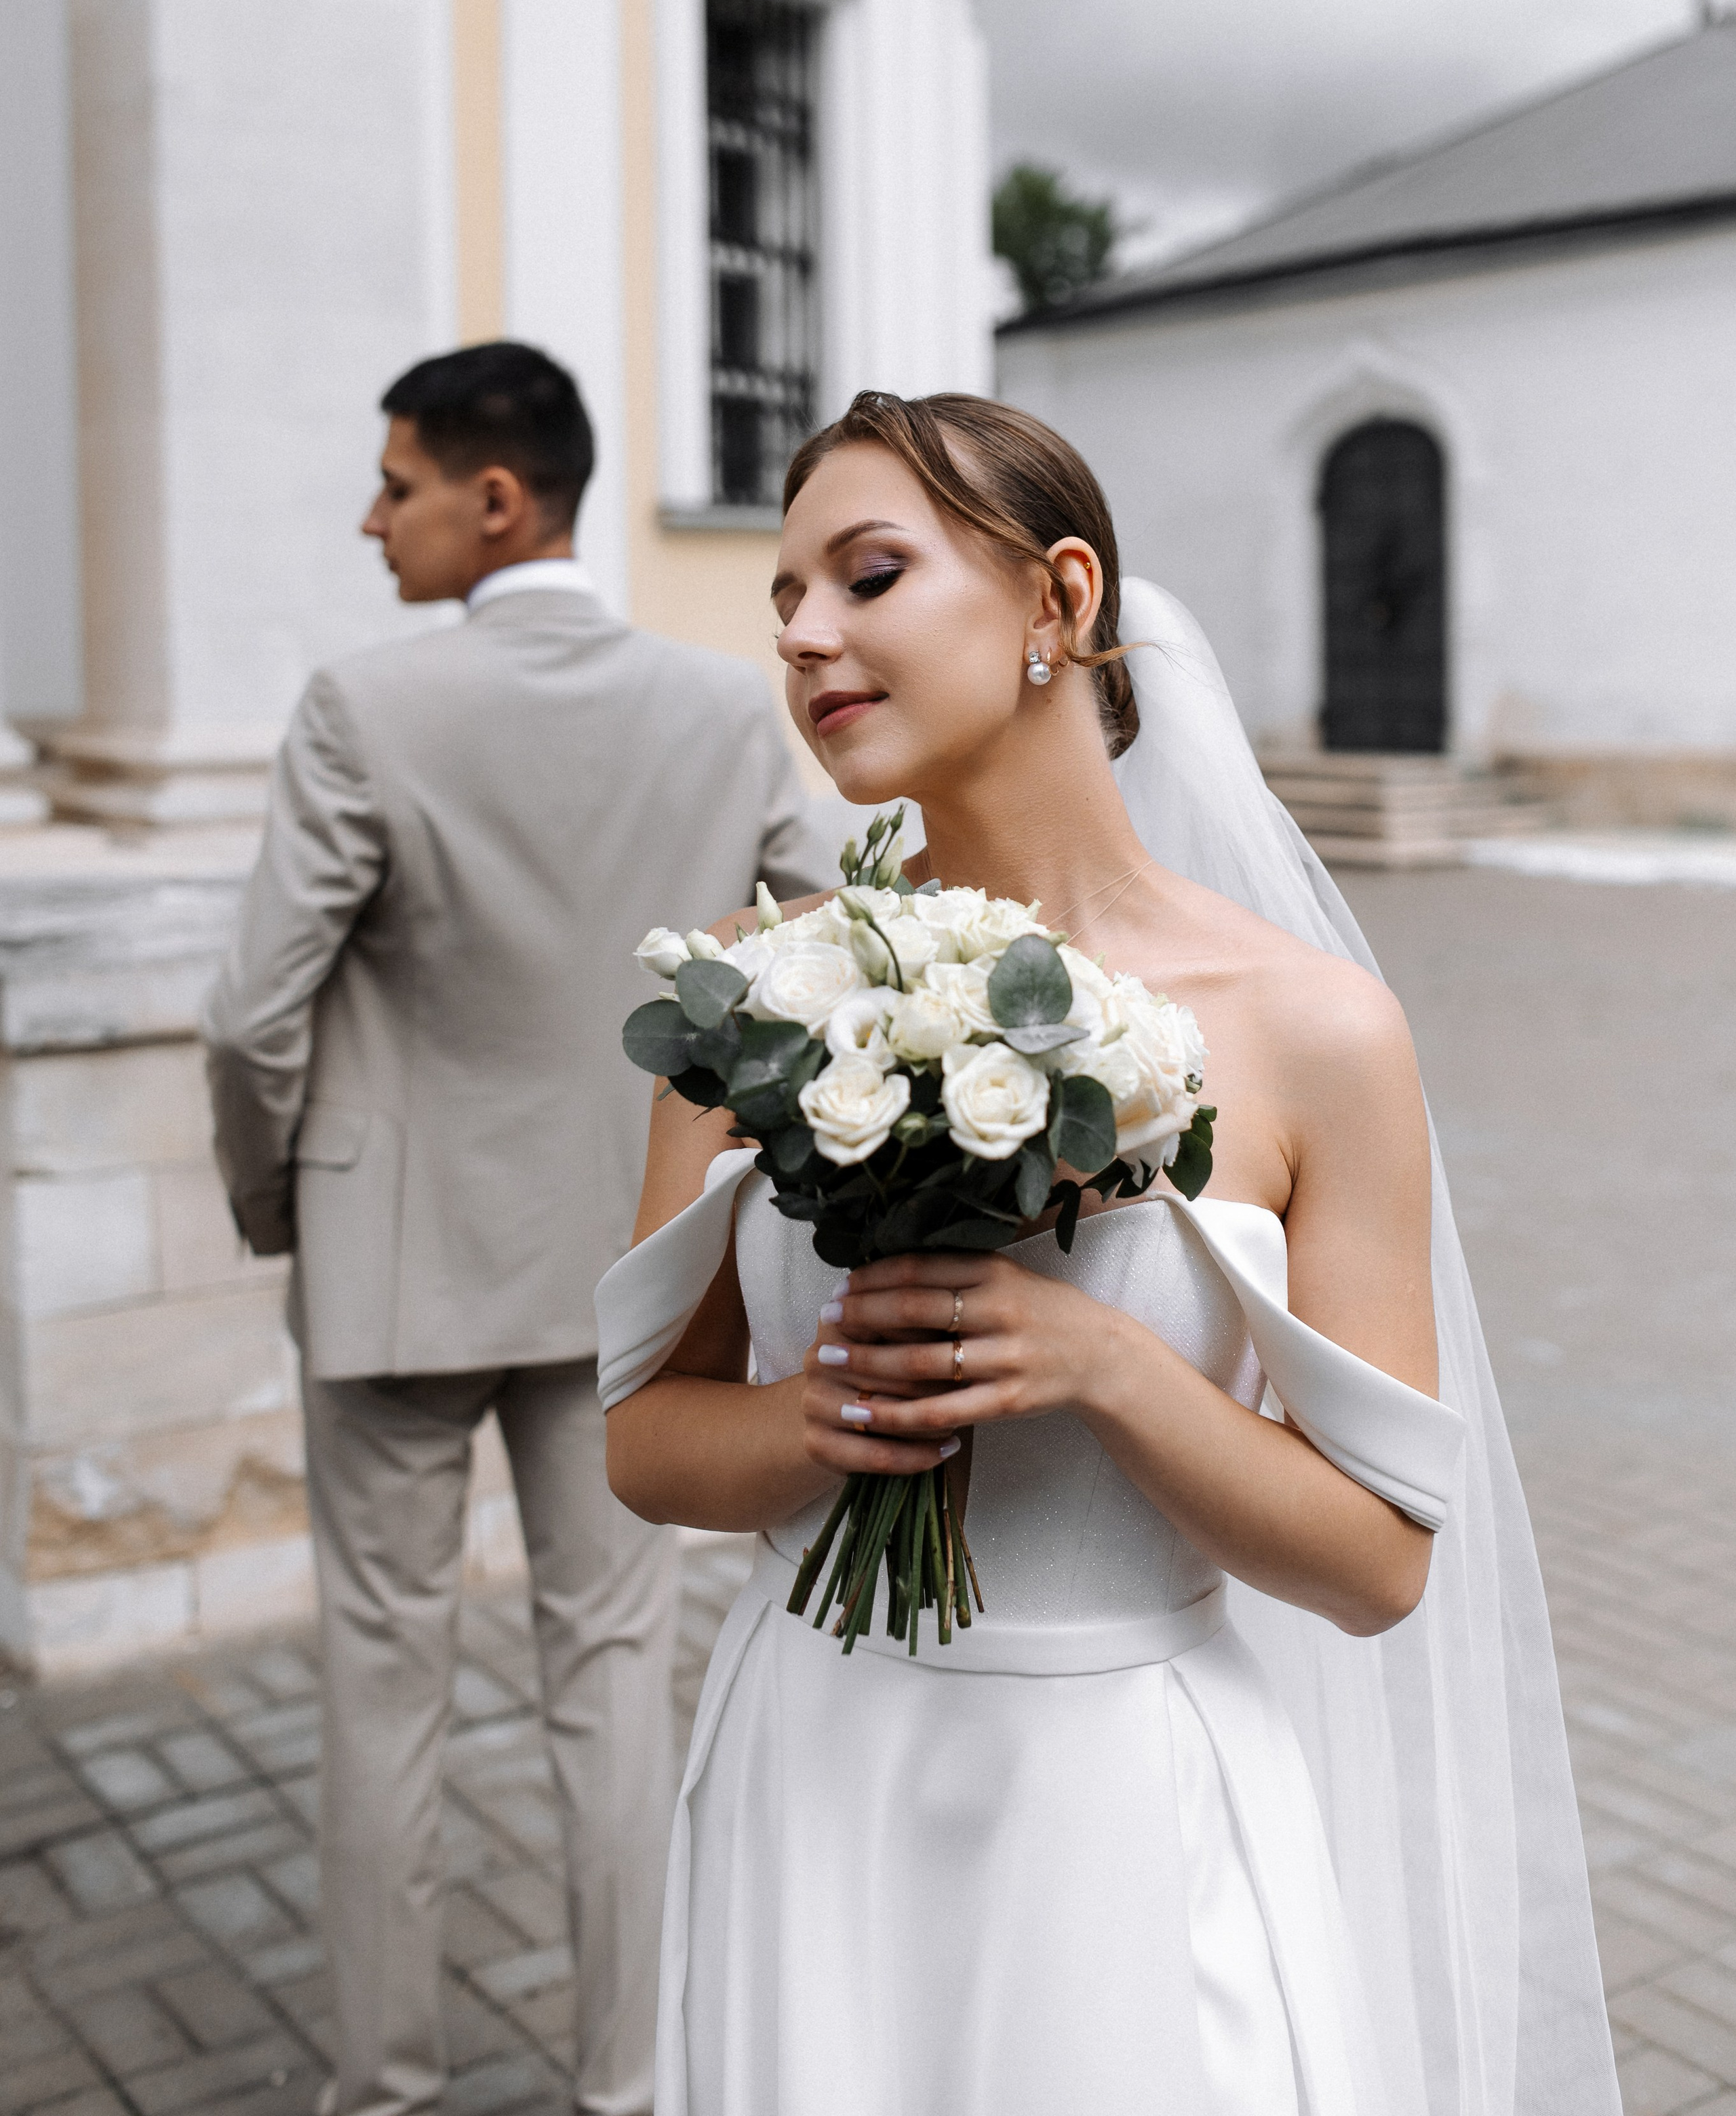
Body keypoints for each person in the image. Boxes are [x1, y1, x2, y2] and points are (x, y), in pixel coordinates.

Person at [596, 391, 1619, 2116]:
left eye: (863, 574)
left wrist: (1103, 1367)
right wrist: (821, 1423)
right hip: (815, 1766)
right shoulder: (743, 987)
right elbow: (640, 1441)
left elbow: (1376, 1564)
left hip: (1121, 1805)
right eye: (782, 598)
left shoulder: (1317, 1033)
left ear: (1057, 604)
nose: (801, 634)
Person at [203, 341, 826, 2116]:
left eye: (391, 484)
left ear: (496, 498)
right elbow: (848, 937)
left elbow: (254, 1019)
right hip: (633, 1274)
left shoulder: (360, 708)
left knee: (383, 1698)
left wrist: (281, 1210)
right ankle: (628, 2089)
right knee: (613, 1686)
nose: (367, 517)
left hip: (391, 1272)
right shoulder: (722, 709)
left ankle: (387, 2093)